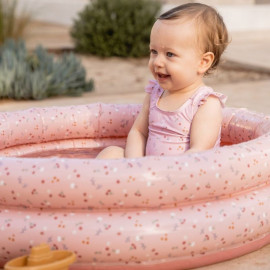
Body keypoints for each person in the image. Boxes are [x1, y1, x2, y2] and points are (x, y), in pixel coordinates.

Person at [96, 2, 229, 159]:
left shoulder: (205, 103)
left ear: (203, 62)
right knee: (110, 153)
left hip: (183, 175)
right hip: (148, 171)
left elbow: (199, 152)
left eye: (170, 54)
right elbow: (138, 132)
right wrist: (135, 164)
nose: (157, 62)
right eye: (154, 51)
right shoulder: (156, 92)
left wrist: (164, 173)